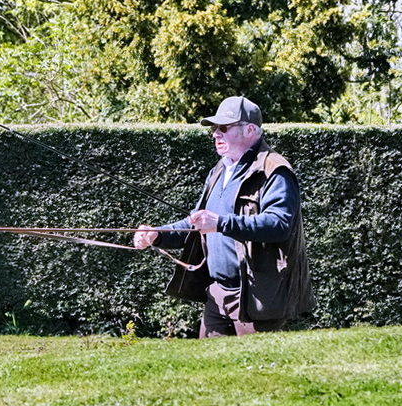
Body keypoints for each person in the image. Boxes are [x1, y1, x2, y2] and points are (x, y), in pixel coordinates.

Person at [133, 96, 313, 336]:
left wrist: (221, 223)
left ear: (250, 129)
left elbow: (279, 225)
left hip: (257, 297)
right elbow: (196, 222)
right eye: (214, 128)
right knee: (211, 370)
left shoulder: (274, 170)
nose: (215, 134)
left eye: (224, 128)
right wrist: (158, 235)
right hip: (217, 293)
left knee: (256, 371)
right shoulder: (220, 169)